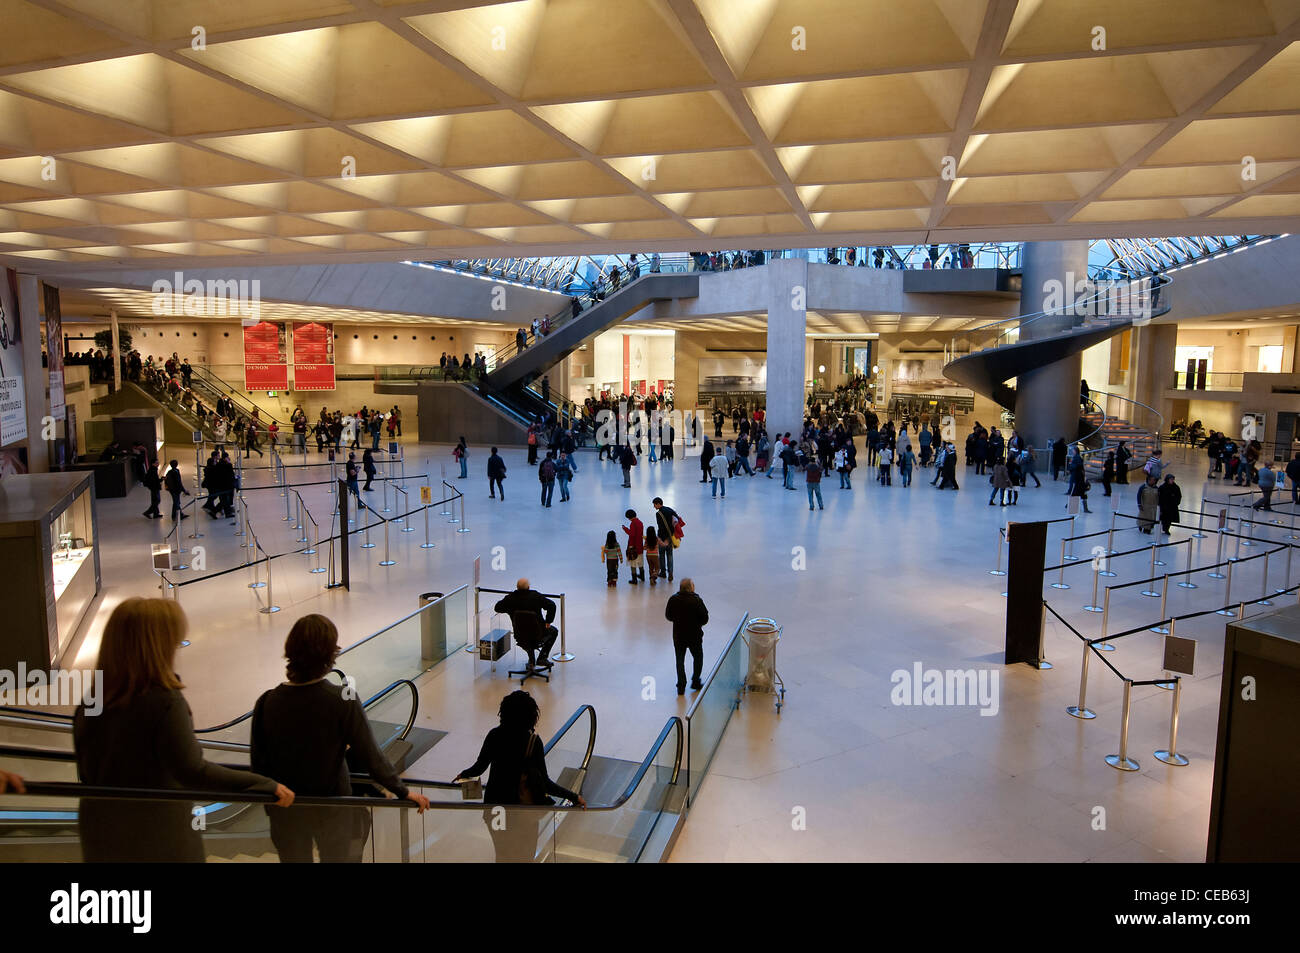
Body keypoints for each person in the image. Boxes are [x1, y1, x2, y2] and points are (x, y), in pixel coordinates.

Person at [73, 599, 293, 861]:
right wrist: (263, 784)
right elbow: (193, 771)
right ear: (159, 645)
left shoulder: (92, 702)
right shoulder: (164, 702)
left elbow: (88, 771)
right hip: (156, 835)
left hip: (101, 832)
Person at [251, 615, 428, 862]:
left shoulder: (266, 702)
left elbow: (258, 765)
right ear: (330, 655)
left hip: (285, 810)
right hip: (333, 807)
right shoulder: (342, 699)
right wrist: (402, 791)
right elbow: (371, 757)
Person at [454, 691, 585, 862]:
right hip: (522, 811)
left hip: (495, 809)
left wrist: (463, 775)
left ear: (504, 712)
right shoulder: (532, 741)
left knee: (502, 854)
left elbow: (479, 768)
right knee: (524, 856)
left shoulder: (494, 735)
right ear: (531, 716)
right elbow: (545, 783)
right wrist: (573, 797)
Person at [494, 580, 559, 665]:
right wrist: (548, 621)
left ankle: (531, 660)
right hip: (539, 633)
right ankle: (542, 658)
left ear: (517, 587)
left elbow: (497, 608)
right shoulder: (535, 596)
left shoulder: (510, 598)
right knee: (554, 631)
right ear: (528, 587)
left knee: (527, 638)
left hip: (520, 634)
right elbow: (551, 605)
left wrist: (509, 608)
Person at [664, 578, 709, 695]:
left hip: (679, 636)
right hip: (695, 636)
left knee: (680, 660)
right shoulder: (697, 601)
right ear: (691, 588)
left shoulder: (673, 599)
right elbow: (705, 619)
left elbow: (668, 616)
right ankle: (695, 681)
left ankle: (681, 686)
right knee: (698, 658)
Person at [652, 498, 680, 582]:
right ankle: (670, 572)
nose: (654, 506)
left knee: (661, 555)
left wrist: (662, 539)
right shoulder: (669, 509)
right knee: (670, 555)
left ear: (658, 504)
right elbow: (677, 519)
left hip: (663, 537)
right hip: (671, 536)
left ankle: (663, 572)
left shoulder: (659, 514)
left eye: (654, 504)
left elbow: (661, 527)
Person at [622, 509, 646, 584]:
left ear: (629, 517)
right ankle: (642, 576)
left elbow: (632, 535)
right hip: (640, 546)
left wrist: (625, 529)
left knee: (633, 563)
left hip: (634, 547)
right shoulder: (640, 522)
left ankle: (634, 579)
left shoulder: (633, 523)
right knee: (640, 562)